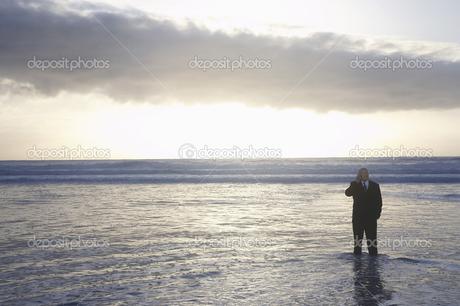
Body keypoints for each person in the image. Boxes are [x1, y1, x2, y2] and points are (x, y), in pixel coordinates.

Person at [345, 168, 382, 255]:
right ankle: (357, 264)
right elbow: (347, 193)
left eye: (366, 173)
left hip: (371, 219)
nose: (365, 175)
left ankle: (373, 265)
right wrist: (355, 183)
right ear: (359, 175)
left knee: (372, 243)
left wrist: (377, 215)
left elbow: (379, 202)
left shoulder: (375, 185)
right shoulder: (355, 184)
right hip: (358, 219)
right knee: (357, 244)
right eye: (362, 173)